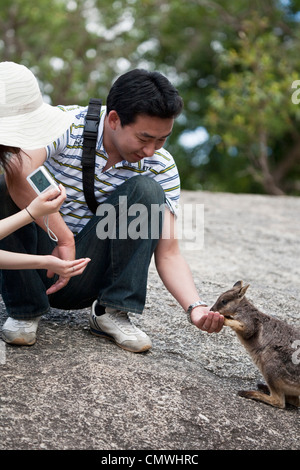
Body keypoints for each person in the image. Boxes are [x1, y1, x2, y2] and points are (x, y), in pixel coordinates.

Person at [0, 61, 224, 351]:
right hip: (37, 261)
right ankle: (24, 311)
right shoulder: (65, 124)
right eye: (144, 138)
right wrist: (62, 236)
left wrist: (195, 307)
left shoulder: (159, 165)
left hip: (86, 272)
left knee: (146, 189)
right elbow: (21, 168)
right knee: (6, 182)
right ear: (115, 119)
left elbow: (169, 253)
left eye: (161, 140)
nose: (150, 150)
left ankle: (111, 311)